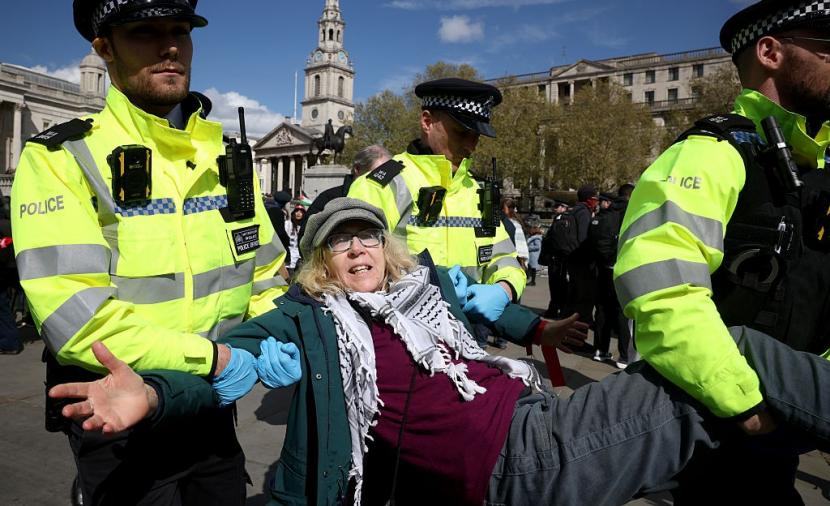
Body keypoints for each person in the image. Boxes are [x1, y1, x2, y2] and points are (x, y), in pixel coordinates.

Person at [49, 198, 830, 506]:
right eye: (337, 242)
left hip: (540, 414)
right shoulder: (312, 320)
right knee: (736, 361)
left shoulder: (421, 293)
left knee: (738, 424)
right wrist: (153, 394)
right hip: (522, 458)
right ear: (321, 264)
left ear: (383, 248)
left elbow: (475, 311)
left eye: (365, 235)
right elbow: (234, 366)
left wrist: (539, 331)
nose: (356, 248)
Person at [10, 1, 288, 504]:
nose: (170, 47)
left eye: (181, 30)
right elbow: (77, 318)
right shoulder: (62, 157)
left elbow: (264, 269)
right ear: (104, 48)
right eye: (145, 32)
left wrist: (275, 334)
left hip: (211, 408)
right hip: (117, 417)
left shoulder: (227, 156)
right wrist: (214, 359)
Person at [614, 1, 830, 503]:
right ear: (771, 52)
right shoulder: (711, 154)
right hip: (723, 429)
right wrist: (748, 407)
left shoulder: (815, 171)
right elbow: (662, 290)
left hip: (784, 430)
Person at [348, 78, 526, 328]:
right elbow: (351, 269)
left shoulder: (481, 193)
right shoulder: (380, 185)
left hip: (467, 343)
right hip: (398, 337)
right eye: (462, 132)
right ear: (427, 121)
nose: (471, 145)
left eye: (477, 136)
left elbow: (503, 258)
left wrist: (504, 289)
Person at [299, 144, 392, 237]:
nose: (385, 179)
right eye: (379, 173)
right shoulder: (328, 199)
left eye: (388, 173)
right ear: (357, 169)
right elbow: (305, 238)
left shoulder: (395, 199)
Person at [589, 187, 632, 368]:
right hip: (624, 268)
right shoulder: (632, 213)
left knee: (603, 309)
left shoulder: (605, 216)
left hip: (603, 269)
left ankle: (600, 349)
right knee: (623, 313)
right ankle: (624, 356)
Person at [564, 184, 598, 327]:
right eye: (594, 198)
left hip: (572, 258)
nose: (596, 201)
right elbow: (584, 237)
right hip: (582, 260)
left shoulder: (573, 211)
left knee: (575, 291)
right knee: (584, 295)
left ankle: (570, 318)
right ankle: (582, 322)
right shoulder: (584, 213)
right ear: (589, 199)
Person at [0, 190, 22, 354]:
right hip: (17, 267)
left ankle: (10, 342)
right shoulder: (12, 223)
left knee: (2, 306)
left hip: (5, 269)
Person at [285, 204, 305, 277]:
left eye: (301, 211)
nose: (299, 213)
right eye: (297, 211)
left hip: (299, 260)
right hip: (288, 260)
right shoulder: (288, 224)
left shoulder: (304, 226)